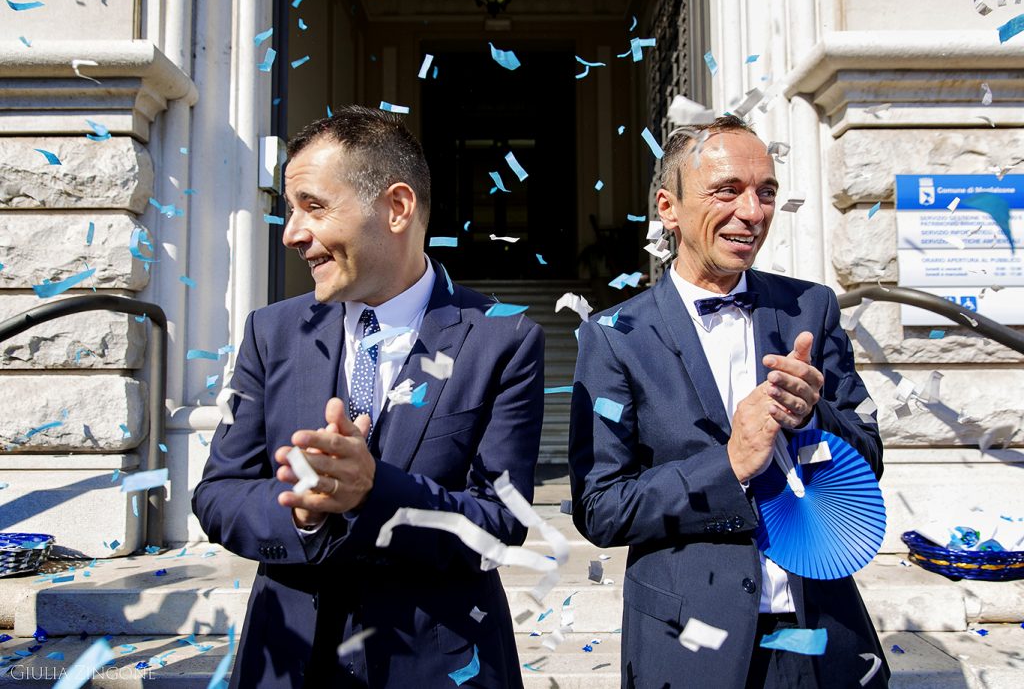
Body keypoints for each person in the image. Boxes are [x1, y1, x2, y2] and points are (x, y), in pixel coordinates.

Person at [192, 106, 544, 688]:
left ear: (397, 207)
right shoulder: (270, 333)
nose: (291, 233)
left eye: (313, 206)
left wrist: (374, 490)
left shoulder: (503, 339)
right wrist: (301, 514)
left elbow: (501, 523)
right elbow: (218, 493)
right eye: (290, 209)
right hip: (289, 663)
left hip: (437, 666)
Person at [567, 115, 888, 688]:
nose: (753, 212)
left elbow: (870, 456)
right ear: (668, 209)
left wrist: (812, 416)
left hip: (821, 633)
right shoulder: (614, 336)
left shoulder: (811, 308)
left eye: (766, 192)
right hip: (689, 645)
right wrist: (730, 465)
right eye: (727, 190)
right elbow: (601, 508)